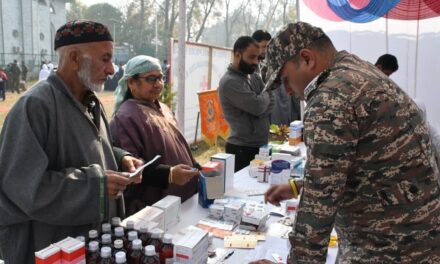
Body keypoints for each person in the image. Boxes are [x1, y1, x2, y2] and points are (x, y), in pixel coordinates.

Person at [0, 20, 195, 263]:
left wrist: (120, 157)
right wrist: (95, 186)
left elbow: (89, 146)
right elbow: (20, 186)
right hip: (52, 249)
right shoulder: (35, 107)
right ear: (74, 58)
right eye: (105, 59)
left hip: (92, 245)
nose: (112, 70)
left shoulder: (91, 102)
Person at [252, 22, 440, 263]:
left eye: (286, 80)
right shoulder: (356, 70)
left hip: (388, 247)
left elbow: (318, 208)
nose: (287, 91)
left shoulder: (330, 98)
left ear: (307, 59)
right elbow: (356, 164)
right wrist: (298, 186)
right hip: (417, 237)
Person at [110, 55, 200, 213]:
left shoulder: (163, 107)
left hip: (183, 198)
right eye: (151, 79)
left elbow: (178, 145)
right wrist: (169, 175)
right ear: (131, 83)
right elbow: (133, 169)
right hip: (154, 207)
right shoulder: (125, 117)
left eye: (160, 78)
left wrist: (197, 166)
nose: (158, 84)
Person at [218, 36, 274, 172]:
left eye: (258, 58)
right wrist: (261, 103)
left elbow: (272, 101)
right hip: (241, 150)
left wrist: (260, 106)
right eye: (251, 57)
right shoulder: (230, 82)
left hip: (261, 146)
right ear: (237, 54)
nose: (255, 62)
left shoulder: (253, 75)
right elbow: (258, 106)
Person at [253, 29, 301, 126]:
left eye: (268, 47)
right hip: (265, 122)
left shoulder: (280, 65)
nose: (266, 50)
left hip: (286, 121)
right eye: (263, 47)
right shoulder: (251, 70)